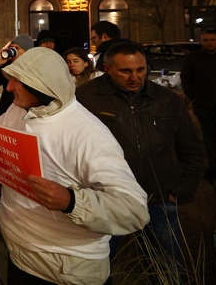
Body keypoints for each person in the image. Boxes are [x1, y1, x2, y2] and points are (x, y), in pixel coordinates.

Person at [0, 47, 149, 284]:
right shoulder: (21, 107)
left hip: (64, 269)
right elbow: (0, 128)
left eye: (17, 81)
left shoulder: (89, 135)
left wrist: (71, 201)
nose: (10, 87)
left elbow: (134, 210)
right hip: (18, 253)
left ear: (42, 87)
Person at [77, 41, 206, 268]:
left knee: (167, 266)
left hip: (160, 198)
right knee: (98, 268)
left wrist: (179, 191)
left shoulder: (167, 99)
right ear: (107, 69)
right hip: (107, 200)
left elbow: (193, 149)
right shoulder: (85, 98)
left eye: (140, 69)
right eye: (125, 71)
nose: (134, 77)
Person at [180, 29, 216, 180]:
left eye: (212, 39)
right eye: (206, 40)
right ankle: (215, 169)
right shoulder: (193, 57)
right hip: (204, 104)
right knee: (209, 138)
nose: (209, 43)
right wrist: (192, 95)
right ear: (201, 42)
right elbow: (186, 76)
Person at [0, 34, 34, 116]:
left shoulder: (33, 68)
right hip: (5, 113)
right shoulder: (7, 65)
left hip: (24, 115)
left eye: (17, 48)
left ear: (27, 52)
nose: (13, 51)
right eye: (12, 47)